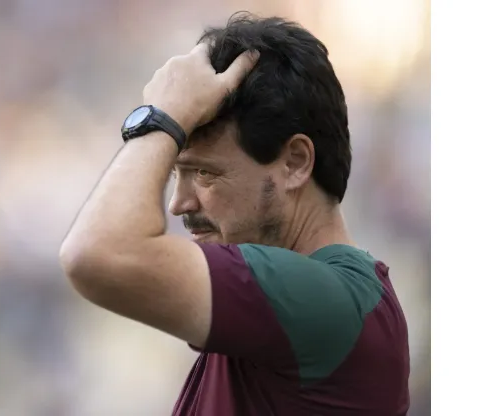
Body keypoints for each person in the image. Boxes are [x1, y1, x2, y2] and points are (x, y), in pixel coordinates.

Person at [59, 12, 410, 416]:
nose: (178, 203)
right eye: (178, 172)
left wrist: (163, 116)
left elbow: (97, 254)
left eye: (205, 173)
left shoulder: (324, 301)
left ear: (295, 162)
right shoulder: (293, 307)